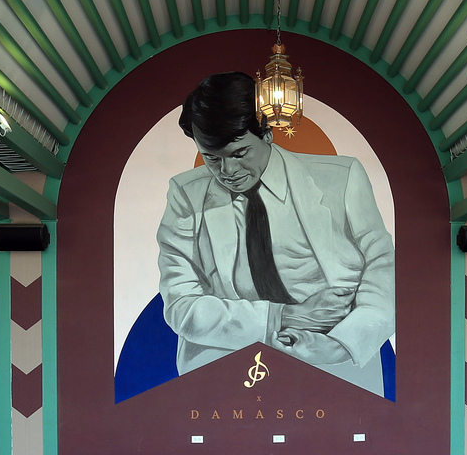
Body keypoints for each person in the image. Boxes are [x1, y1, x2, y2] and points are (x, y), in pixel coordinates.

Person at [156, 71, 395, 395]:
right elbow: (182, 306)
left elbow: (384, 270)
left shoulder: (341, 179)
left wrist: (341, 345)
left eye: (240, 153)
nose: (227, 172)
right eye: (212, 158)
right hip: (226, 362)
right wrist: (283, 317)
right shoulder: (185, 196)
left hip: (335, 355)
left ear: (267, 133)